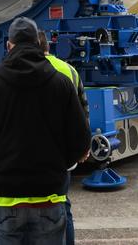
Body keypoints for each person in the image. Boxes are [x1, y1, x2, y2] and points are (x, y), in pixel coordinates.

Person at [0, 17, 90, 245]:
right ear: (38, 45)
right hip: (50, 197)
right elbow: (81, 141)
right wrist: (60, 164)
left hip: (5, 198)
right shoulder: (61, 83)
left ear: (9, 45)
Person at [39, 30, 87, 245]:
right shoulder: (69, 70)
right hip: (62, 152)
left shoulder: (24, 71)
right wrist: (81, 148)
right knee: (62, 205)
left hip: (31, 153)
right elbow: (82, 111)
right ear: (48, 46)